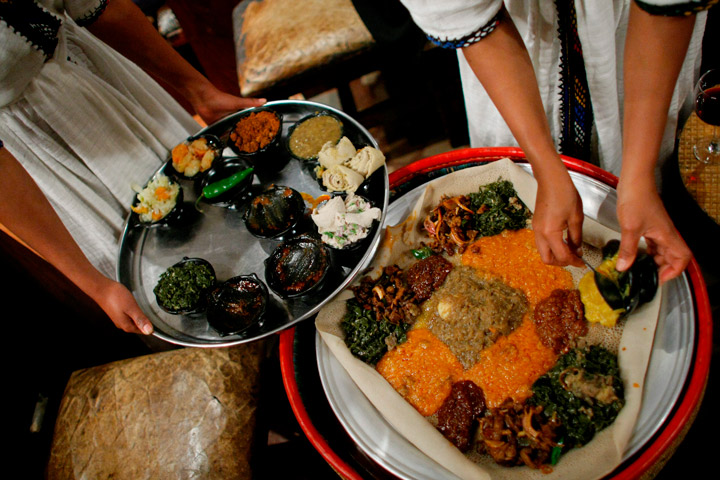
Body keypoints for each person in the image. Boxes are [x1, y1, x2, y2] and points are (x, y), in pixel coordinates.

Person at [399, 0, 713, 284]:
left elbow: (664, 7)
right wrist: (545, 167)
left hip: (636, 43)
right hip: (510, 55)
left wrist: (639, 175)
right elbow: (472, 20)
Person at [0, 0, 265, 334]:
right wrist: (96, 286)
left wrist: (199, 91)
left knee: (210, 192)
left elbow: (97, 6)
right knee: (151, 269)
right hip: (37, 147)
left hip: (98, 76)